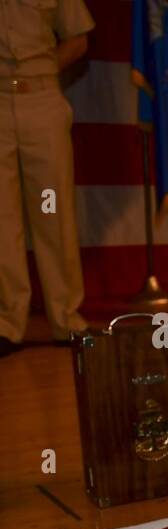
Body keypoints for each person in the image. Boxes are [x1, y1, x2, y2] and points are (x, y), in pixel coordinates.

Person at [0, 0, 92, 357]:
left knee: (52, 210)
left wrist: (40, 70)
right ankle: (8, 324)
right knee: (3, 220)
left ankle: (66, 317)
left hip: (41, 102)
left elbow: (78, 38)